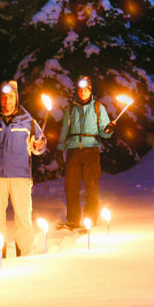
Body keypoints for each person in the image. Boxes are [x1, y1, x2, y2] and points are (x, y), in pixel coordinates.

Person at [0, 80, 47, 261]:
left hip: (20, 176)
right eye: (4, 98)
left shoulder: (28, 121)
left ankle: (24, 256)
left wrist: (39, 145)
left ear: (16, 99)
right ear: (0, 99)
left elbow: (39, 146)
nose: (7, 102)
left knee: (23, 218)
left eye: (11, 98)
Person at [57, 76, 114, 229]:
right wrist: (59, 149)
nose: (82, 92)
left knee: (91, 186)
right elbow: (64, 131)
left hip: (91, 150)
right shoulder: (70, 108)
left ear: (90, 91)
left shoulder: (97, 107)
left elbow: (104, 132)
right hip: (73, 150)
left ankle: (91, 219)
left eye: (85, 90)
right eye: (80, 90)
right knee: (71, 186)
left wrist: (109, 130)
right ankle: (73, 220)